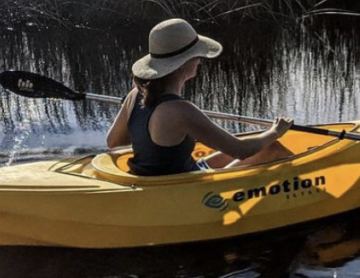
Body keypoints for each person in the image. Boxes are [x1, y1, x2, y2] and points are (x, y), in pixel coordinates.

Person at [106, 18, 293, 175]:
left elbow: (114, 142)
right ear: (181, 66)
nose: (200, 60)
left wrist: (153, 145)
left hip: (161, 179)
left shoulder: (135, 94)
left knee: (265, 146)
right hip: (182, 189)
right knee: (273, 147)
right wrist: (276, 131)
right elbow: (241, 151)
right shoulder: (180, 110)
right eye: (196, 55)